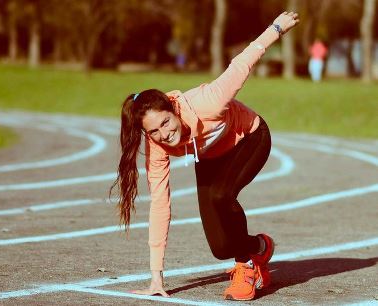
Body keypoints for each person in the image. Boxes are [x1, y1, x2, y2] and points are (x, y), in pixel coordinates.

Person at [111, 11, 299, 301]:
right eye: (154, 132)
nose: (164, 134)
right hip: (211, 157)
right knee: (220, 248)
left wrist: (276, 28)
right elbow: (160, 204)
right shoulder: (157, 145)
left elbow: (242, 64)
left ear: (173, 110)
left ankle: (247, 268)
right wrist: (155, 277)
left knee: (221, 195)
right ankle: (260, 248)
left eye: (165, 122)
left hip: (250, 137)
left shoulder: (208, 101)